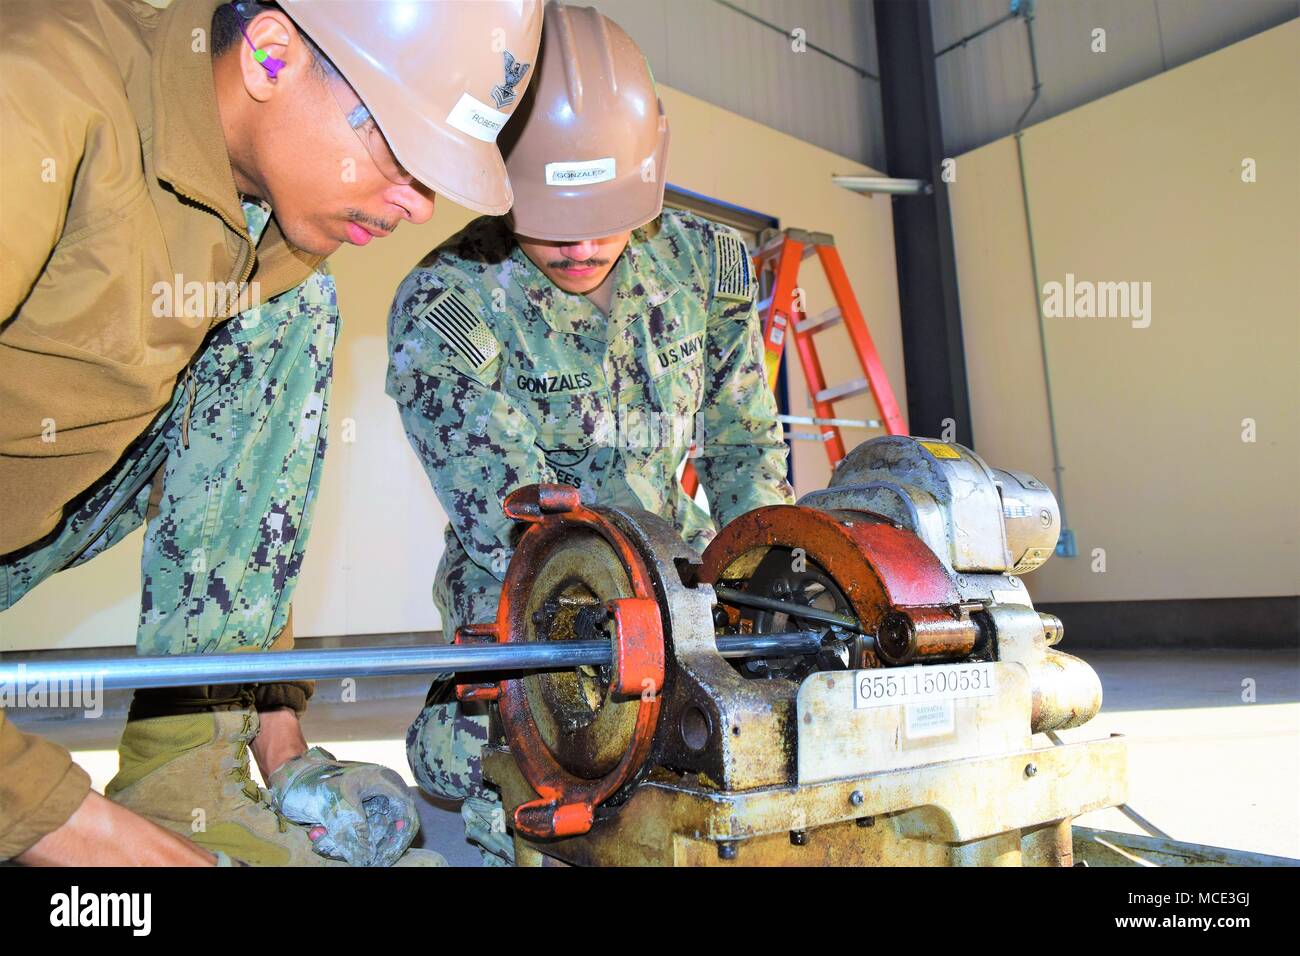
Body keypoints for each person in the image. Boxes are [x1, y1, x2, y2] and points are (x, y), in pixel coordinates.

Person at [0, 0, 541, 866]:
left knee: (289, 307)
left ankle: (188, 772)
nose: (416, 203)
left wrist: (278, 740)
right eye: (399, 154)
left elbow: (245, 492)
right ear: (270, 56)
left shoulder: (267, 234)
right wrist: (67, 828)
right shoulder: (36, 95)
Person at [386, 1, 793, 865]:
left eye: (602, 217)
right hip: (538, 607)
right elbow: (518, 533)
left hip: (690, 587)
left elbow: (746, 448)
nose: (577, 248)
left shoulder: (706, 266)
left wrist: (764, 598)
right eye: (548, 223)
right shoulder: (449, 303)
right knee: (504, 773)